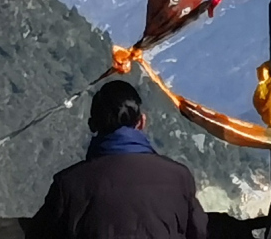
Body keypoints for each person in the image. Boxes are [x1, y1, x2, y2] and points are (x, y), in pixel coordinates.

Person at [25, 80, 210, 239]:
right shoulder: (178, 177)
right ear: (142, 122)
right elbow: (199, 232)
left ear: (92, 125)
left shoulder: (68, 184)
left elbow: (38, 234)